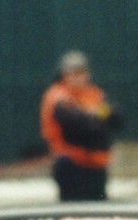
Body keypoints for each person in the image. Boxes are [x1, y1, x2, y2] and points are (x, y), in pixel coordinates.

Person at [40, 50, 123, 201]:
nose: (79, 78)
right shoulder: (58, 96)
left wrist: (95, 115)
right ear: (64, 75)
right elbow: (78, 127)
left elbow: (117, 118)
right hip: (71, 164)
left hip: (96, 164)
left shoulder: (92, 93)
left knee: (99, 214)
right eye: (74, 73)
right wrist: (97, 116)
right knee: (73, 213)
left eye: (82, 72)